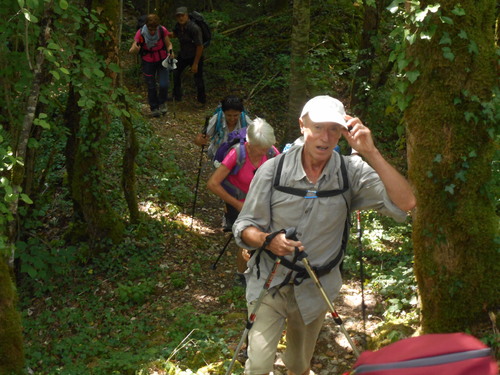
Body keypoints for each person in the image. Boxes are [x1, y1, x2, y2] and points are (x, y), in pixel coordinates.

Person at [232, 95, 416, 375]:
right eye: (318, 127)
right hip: (270, 280)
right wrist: (267, 241)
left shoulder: (350, 172)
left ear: (344, 132)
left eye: (334, 128)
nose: (325, 136)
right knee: (258, 365)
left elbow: (406, 202)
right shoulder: (274, 170)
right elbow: (244, 226)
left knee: (298, 364)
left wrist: (371, 152)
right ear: (302, 126)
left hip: (315, 287)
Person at [208, 118, 280, 279]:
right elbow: (213, 183)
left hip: (262, 201)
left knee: (264, 236)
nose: (264, 152)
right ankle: (241, 274)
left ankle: (260, 272)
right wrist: (237, 204)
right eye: (260, 148)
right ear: (250, 143)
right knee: (246, 237)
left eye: (266, 148)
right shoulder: (236, 153)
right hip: (239, 202)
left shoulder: (271, 151)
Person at [129, 14, 174, 117]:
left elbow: (168, 44)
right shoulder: (141, 33)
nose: (152, 31)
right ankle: (154, 108)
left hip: (162, 59)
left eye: (154, 29)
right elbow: (133, 48)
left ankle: (162, 103)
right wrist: (134, 49)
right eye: (150, 29)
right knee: (151, 85)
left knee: (164, 84)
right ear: (147, 26)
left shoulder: (162, 30)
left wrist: (170, 52)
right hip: (148, 61)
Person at [194, 95, 251, 161]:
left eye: (235, 115)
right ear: (223, 112)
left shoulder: (245, 120)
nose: (232, 119)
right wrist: (200, 140)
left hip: (236, 158)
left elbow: (256, 136)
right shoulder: (217, 119)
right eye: (229, 115)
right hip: (217, 156)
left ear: (240, 113)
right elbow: (200, 138)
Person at [171, 6, 206, 106]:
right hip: (183, 55)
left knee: (198, 78)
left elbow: (200, 46)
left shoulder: (194, 28)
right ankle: (177, 96)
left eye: (182, 15)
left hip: (195, 56)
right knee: (176, 72)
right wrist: (162, 32)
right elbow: (174, 34)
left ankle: (201, 101)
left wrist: (195, 64)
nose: (180, 18)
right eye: (178, 16)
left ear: (187, 16)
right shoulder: (178, 26)